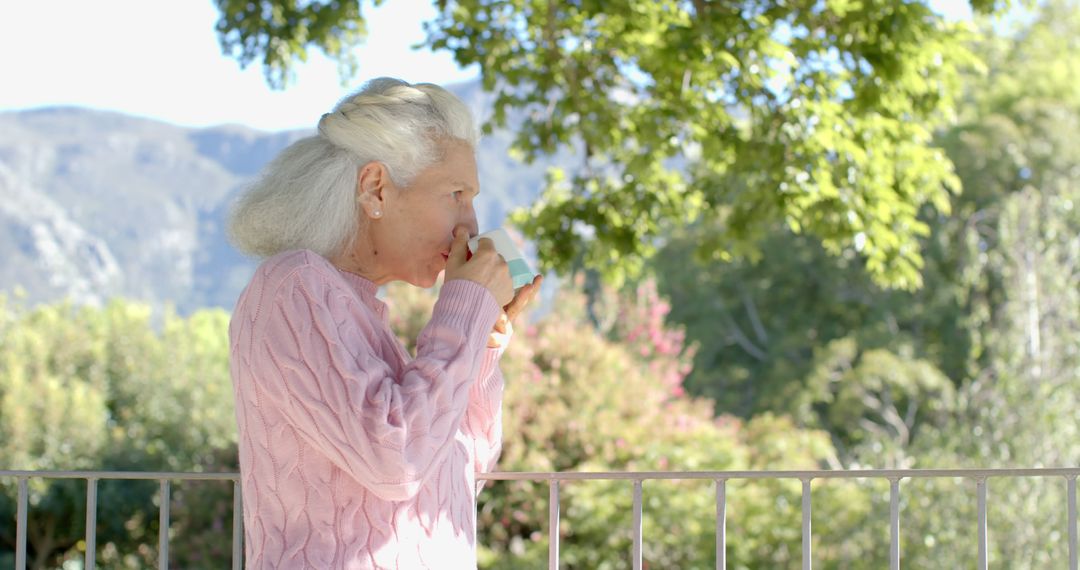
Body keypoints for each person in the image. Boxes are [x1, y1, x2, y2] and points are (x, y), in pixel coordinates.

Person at [227, 77, 542, 569]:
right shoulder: (293, 288)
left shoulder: (360, 315)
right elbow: (397, 460)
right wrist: (463, 305)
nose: (472, 225)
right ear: (376, 188)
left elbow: (466, 467)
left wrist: (479, 346)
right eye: (456, 193)